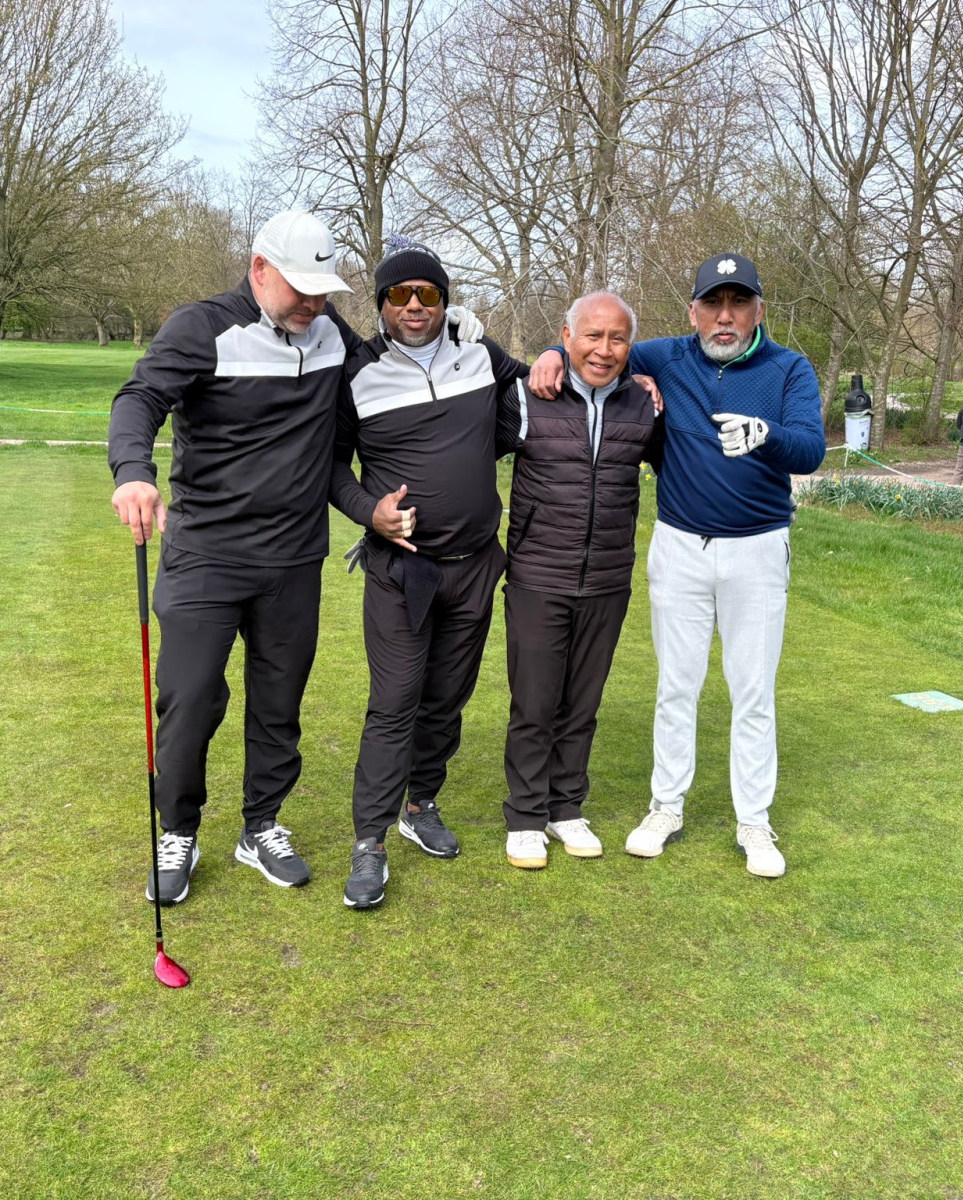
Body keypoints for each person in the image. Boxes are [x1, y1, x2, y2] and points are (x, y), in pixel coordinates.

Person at [108, 211, 482, 906]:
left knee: (279, 705)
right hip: (206, 556)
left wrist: (459, 334)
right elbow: (140, 398)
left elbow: (400, 362)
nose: (313, 304)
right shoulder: (202, 329)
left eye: (322, 292)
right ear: (259, 270)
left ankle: (261, 826)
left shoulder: (330, 333)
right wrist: (134, 472)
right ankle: (179, 830)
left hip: (293, 559)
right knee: (189, 698)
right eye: (300, 290)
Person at [528, 252, 826, 878]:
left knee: (752, 691)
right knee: (676, 686)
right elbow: (599, 351)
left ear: (759, 311)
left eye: (738, 304)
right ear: (693, 312)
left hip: (757, 547)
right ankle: (666, 806)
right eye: (713, 304)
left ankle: (754, 820)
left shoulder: (788, 367)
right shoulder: (664, 356)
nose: (725, 317)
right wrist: (552, 354)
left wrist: (766, 434)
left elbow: (810, 450)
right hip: (680, 545)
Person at [329, 236, 527, 909]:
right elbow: (331, 468)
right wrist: (370, 513)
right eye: (399, 294)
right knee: (395, 702)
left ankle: (421, 804)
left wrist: (621, 375)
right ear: (381, 303)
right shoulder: (356, 372)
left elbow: (543, 381)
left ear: (445, 301)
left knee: (446, 697)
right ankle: (370, 841)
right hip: (402, 570)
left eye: (428, 294)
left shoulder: (480, 354)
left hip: (475, 565)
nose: (414, 305)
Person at [501, 292, 662, 870]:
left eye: (617, 338)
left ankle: (565, 807)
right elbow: (464, 457)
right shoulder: (528, 394)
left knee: (582, 703)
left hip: (608, 578)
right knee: (535, 701)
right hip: (537, 574)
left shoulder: (644, 404)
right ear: (567, 336)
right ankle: (526, 816)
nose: (604, 349)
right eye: (592, 335)